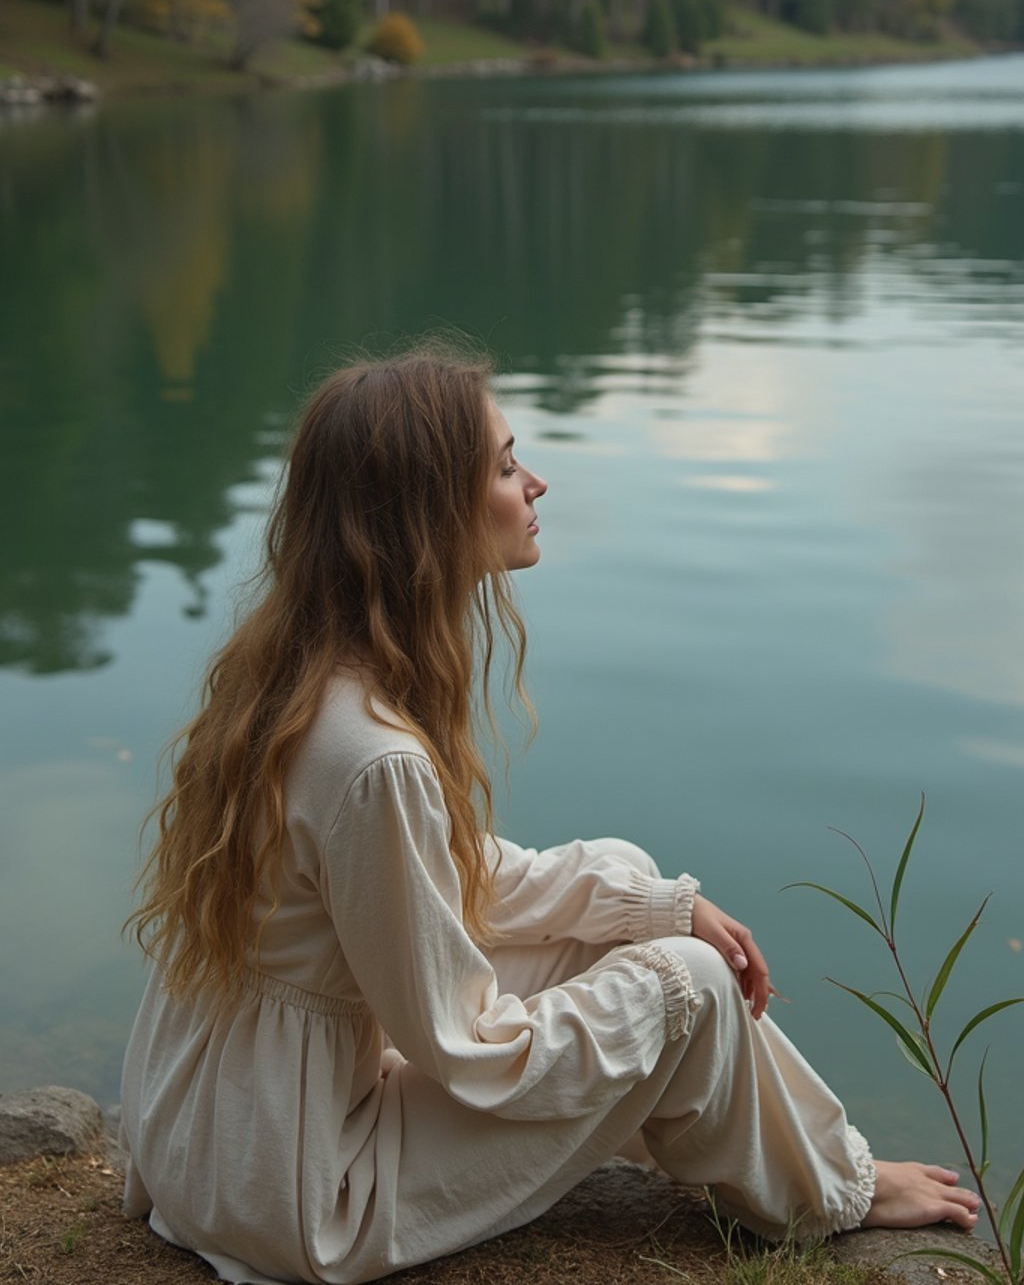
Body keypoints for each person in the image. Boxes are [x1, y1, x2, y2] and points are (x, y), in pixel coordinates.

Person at [121, 345, 980, 1285]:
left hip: (208, 1132)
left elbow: (448, 878)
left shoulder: (300, 683)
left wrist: (653, 909)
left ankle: (788, 1152)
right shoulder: (376, 760)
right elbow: (468, 1050)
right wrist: (657, 999)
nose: (534, 482)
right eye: (502, 465)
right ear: (427, 514)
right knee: (681, 986)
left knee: (629, 886)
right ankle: (829, 1194)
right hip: (304, 1191)